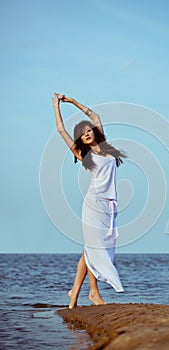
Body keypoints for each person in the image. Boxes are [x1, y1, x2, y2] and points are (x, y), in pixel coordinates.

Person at [52, 93, 126, 308]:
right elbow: (60, 130)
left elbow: (95, 115)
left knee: (91, 249)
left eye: (88, 130)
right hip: (93, 204)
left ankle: (74, 293)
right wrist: (56, 105)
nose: (86, 133)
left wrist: (72, 101)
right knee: (93, 247)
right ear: (80, 139)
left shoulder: (106, 147)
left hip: (110, 204)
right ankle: (93, 293)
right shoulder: (81, 153)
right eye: (82, 133)